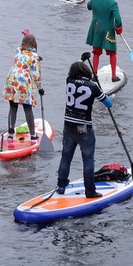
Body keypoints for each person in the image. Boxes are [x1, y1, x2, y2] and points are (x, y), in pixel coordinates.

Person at [57, 54, 112, 196]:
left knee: (66, 156)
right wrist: (100, 91)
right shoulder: (93, 87)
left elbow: (71, 72)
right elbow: (108, 103)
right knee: (88, 159)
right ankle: (90, 191)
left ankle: (61, 187)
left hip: (68, 125)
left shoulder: (69, 81)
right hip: (83, 126)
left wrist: (81, 60)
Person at [3, 31, 42, 139]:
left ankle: (10, 132)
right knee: (27, 107)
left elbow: (21, 47)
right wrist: (40, 88)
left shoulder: (18, 51)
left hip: (12, 80)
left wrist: (25, 37)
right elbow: (35, 74)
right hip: (23, 83)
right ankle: (33, 134)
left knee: (13, 106)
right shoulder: (34, 56)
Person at [85, 0, 123, 82]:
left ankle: (94, 75)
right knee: (112, 53)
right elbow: (118, 19)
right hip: (108, 31)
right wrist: (118, 29)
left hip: (96, 29)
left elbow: (89, 6)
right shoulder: (113, 3)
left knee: (96, 53)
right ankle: (114, 76)